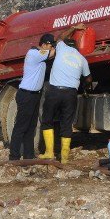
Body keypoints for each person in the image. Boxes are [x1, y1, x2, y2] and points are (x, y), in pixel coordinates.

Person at [38, 24, 90, 164]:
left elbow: (60, 37)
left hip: (54, 91)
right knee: (66, 124)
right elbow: (89, 78)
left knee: (47, 120)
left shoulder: (62, 48)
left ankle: (49, 152)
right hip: (70, 94)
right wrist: (85, 85)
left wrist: (74, 28)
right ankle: (64, 158)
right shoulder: (82, 59)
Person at [9, 33, 56, 161]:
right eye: (50, 45)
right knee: (21, 126)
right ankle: (14, 156)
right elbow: (51, 54)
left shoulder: (40, 55)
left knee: (31, 127)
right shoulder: (35, 53)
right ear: (44, 45)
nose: (51, 48)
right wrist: (56, 47)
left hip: (34, 95)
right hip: (27, 94)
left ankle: (28, 155)